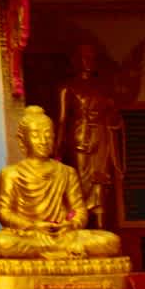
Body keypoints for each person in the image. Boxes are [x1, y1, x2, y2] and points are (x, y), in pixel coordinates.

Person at [0, 106, 124, 259]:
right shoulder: (11, 173)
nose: (43, 141)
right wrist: (32, 226)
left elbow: (80, 211)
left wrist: (70, 224)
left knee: (111, 241)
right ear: (23, 140)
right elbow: (4, 213)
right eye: (35, 135)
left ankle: (50, 252)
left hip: (64, 235)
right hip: (31, 235)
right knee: (2, 243)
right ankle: (62, 253)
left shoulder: (67, 172)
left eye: (48, 135)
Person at [55, 44, 124, 230]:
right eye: (84, 57)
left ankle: (101, 228)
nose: (88, 62)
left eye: (92, 57)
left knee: (100, 181)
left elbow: (114, 115)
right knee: (80, 182)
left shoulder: (103, 87)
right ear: (75, 61)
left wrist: (114, 121)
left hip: (102, 138)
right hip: (80, 138)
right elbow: (62, 120)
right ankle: (79, 227)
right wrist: (57, 148)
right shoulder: (67, 87)